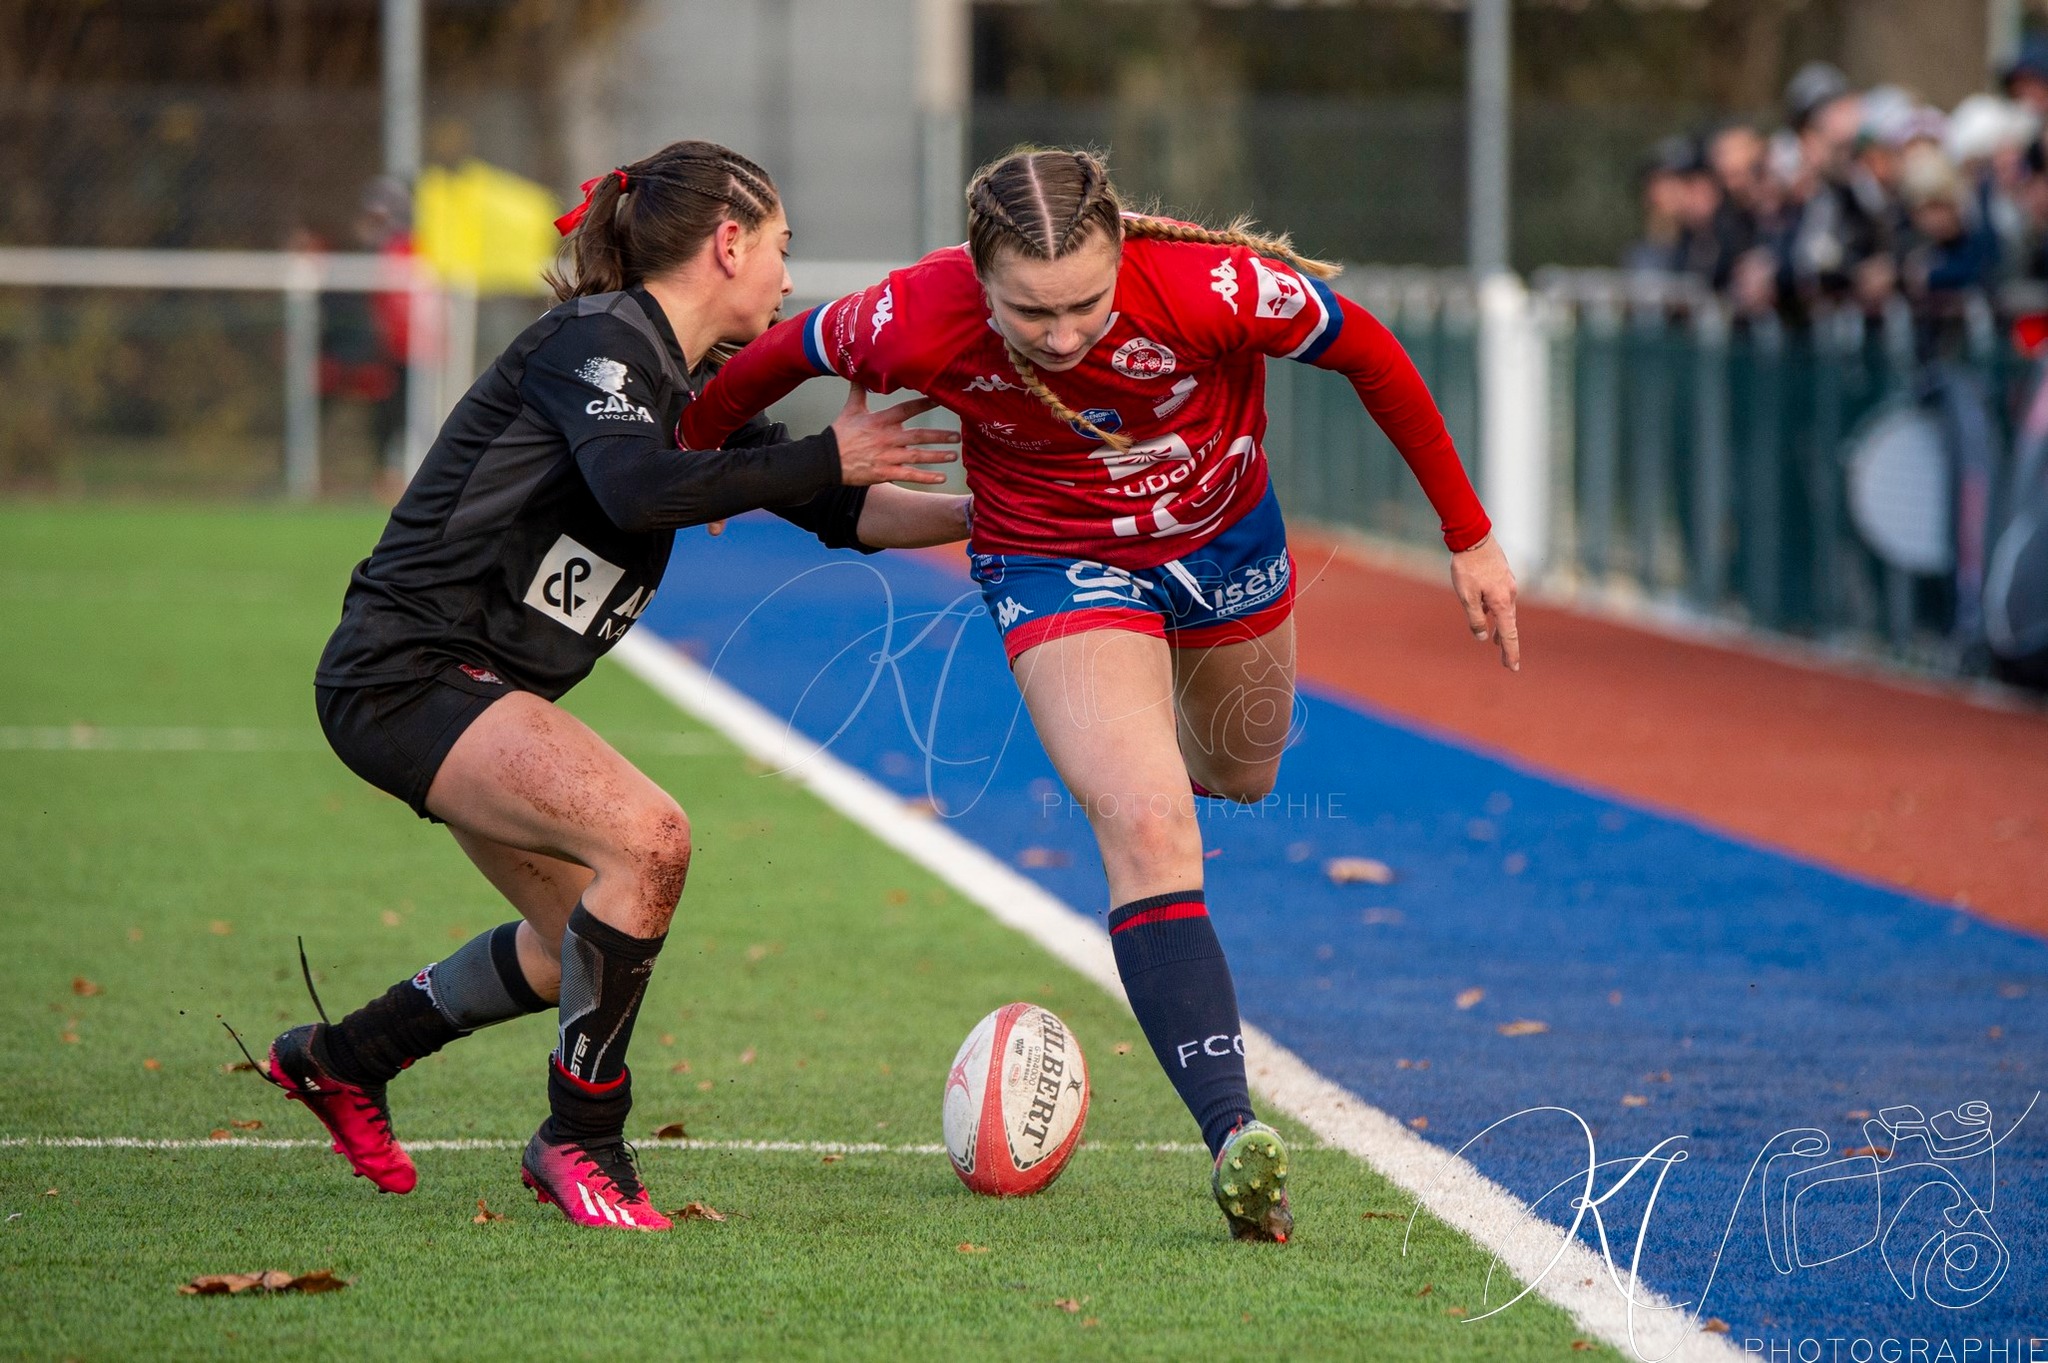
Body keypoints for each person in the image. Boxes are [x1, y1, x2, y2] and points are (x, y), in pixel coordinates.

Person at [680, 148, 1520, 1243]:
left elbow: (1367, 349)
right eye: (1029, 312)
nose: (1062, 334)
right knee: (1148, 821)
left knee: (1242, 773)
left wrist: (1468, 533)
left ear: (1121, 251)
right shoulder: (910, 316)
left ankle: (1157, 755)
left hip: (1224, 540)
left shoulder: (1210, 290)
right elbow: (769, 360)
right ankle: (1232, 1135)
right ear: (978, 278)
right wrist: (694, 463)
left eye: (1084, 303)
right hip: (1054, 562)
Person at [269, 139, 966, 1231]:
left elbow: (841, 509)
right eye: (781, 247)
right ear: (727, 243)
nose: (788, 277)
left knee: (572, 953)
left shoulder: (692, 386)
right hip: (407, 672)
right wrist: (827, 455)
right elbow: (638, 487)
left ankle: (342, 1058)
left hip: (473, 690)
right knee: (649, 840)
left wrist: (999, 519)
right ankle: (582, 1137)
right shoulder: (594, 341)